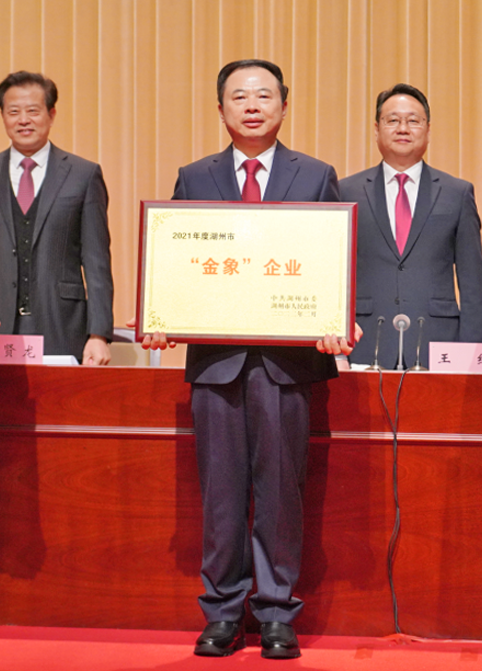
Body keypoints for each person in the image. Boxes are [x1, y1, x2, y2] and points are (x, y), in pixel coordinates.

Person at [142, 59, 353, 660]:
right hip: (217, 363)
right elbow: (177, 263)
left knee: (281, 492)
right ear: (220, 109)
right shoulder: (195, 177)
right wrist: (161, 313)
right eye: (239, 96)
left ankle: (277, 612)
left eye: (264, 96)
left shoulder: (316, 175)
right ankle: (222, 612)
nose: (252, 106)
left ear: (284, 105)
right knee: (222, 495)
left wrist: (337, 319)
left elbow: (333, 260)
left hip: (287, 366)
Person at [339, 83, 482, 369]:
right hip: (364, 339)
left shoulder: (457, 193)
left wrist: (473, 356)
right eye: (392, 120)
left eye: (413, 121)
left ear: (428, 130)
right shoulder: (346, 191)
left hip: (438, 340)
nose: (403, 128)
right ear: (376, 129)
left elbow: (472, 285)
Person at [0, 71, 114, 363]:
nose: (23, 120)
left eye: (33, 111)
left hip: (62, 322)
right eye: (14, 112)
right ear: (3, 117)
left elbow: (96, 260)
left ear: (51, 114)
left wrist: (98, 334)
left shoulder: (83, 174)